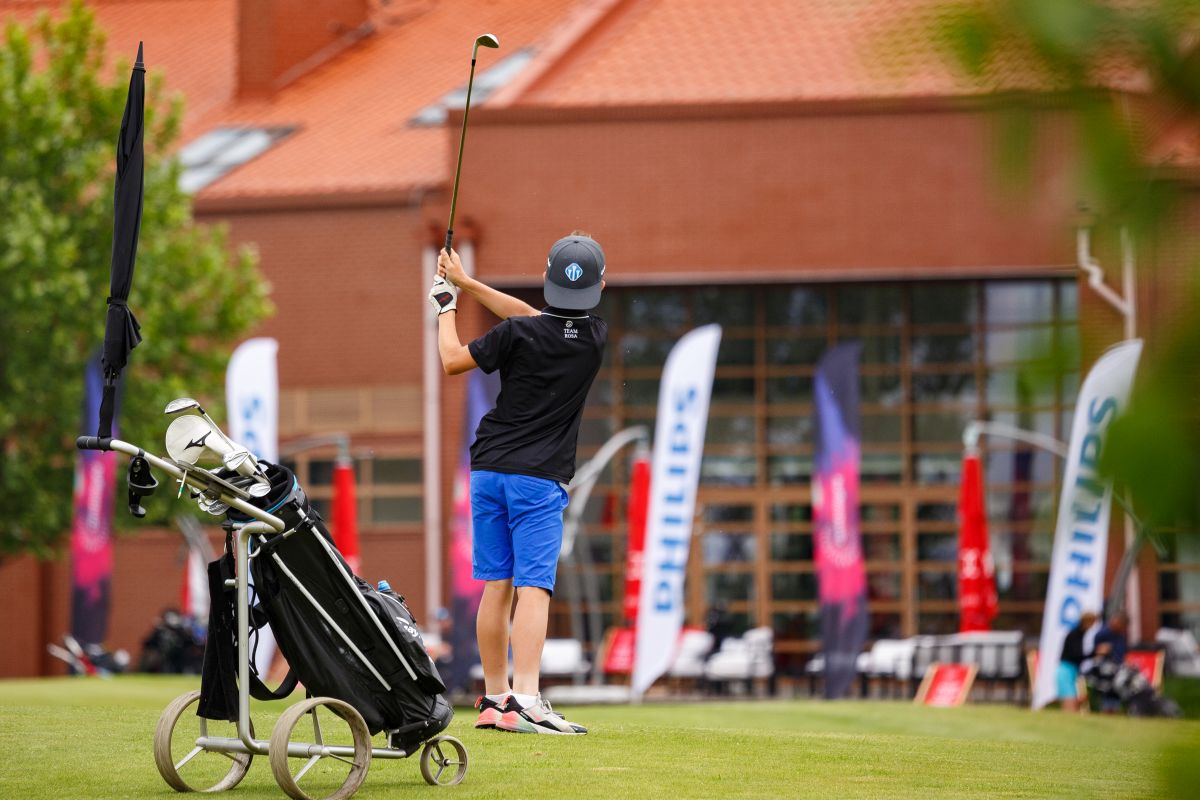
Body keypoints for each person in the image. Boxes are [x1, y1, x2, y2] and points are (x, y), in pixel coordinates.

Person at [428, 232, 607, 735]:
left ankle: (495, 698)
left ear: (547, 277)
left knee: (498, 584)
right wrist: (466, 282)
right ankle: (526, 701)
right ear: (599, 286)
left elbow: (452, 359)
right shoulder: (594, 337)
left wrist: (447, 304)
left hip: (488, 471)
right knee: (534, 588)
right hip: (538, 480)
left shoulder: (517, 334)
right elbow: (535, 318)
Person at [1057, 611, 1098, 712]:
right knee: (1070, 702)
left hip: (1072, 670)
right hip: (1066, 669)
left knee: (1076, 700)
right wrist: (1094, 653)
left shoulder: (1081, 634)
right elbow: (1075, 655)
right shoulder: (1074, 634)